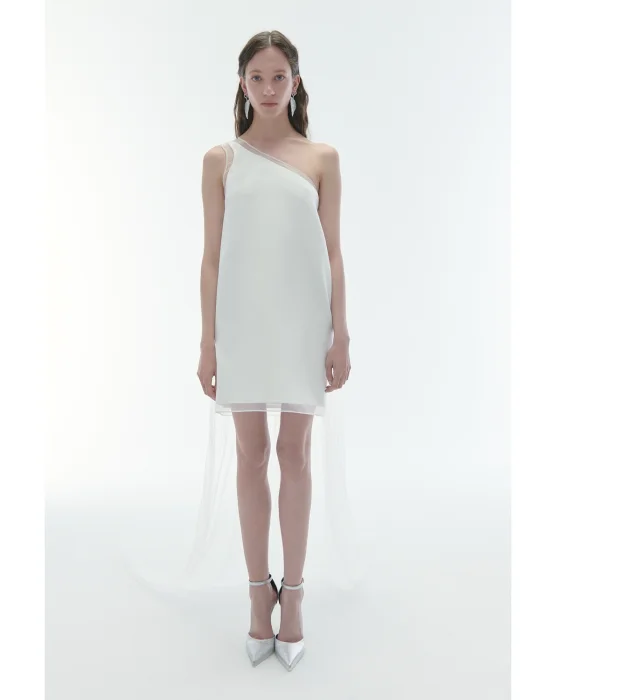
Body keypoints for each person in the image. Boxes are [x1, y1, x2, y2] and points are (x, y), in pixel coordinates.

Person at [197, 30, 352, 671]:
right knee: (251, 453)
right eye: (256, 77)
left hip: (300, 321)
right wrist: (207, 342)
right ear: (242, 83)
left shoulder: (321, 158)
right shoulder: (221, 160)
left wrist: (341, 333)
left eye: (278, 76)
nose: (267, 88)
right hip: (242, 322)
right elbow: (211, 257)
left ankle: (295, 598)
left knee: (295, 453)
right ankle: (259, 595)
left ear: (296, 82)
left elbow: (333, 252)